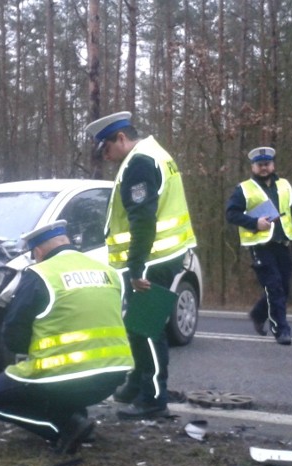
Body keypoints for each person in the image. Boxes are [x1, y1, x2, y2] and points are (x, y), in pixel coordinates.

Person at [0, 220, 133, 455]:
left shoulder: (40, 274)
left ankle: (65, 427)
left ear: (38, 251)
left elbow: (14, 332)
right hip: (112, 375)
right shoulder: (109, 272)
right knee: (68, 376)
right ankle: (78, 421)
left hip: (64, 376)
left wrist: (28, 353)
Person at [83, 112, 197, 420]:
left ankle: (153, 399)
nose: (105, 157)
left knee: (146, 330)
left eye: (106, 149)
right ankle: (135, 384)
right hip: (163, 255)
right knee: (136, 327)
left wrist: (135, 269)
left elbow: (143, 220)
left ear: (121, 138)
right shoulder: (155, 153)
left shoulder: (139, 163)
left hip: (151, 260)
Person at [225, 146, 292, 345]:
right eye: (260, 165)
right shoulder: (244, 189)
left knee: (283, 288)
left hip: (282, 244)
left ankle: (258, 314)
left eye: (267, 164)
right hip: (260, 245)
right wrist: (255, 223)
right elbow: (231, 214)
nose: (264, 168)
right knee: (274, 287)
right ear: (253, 167)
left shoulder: (285, 186)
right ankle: (281, 330)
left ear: (273, 165)